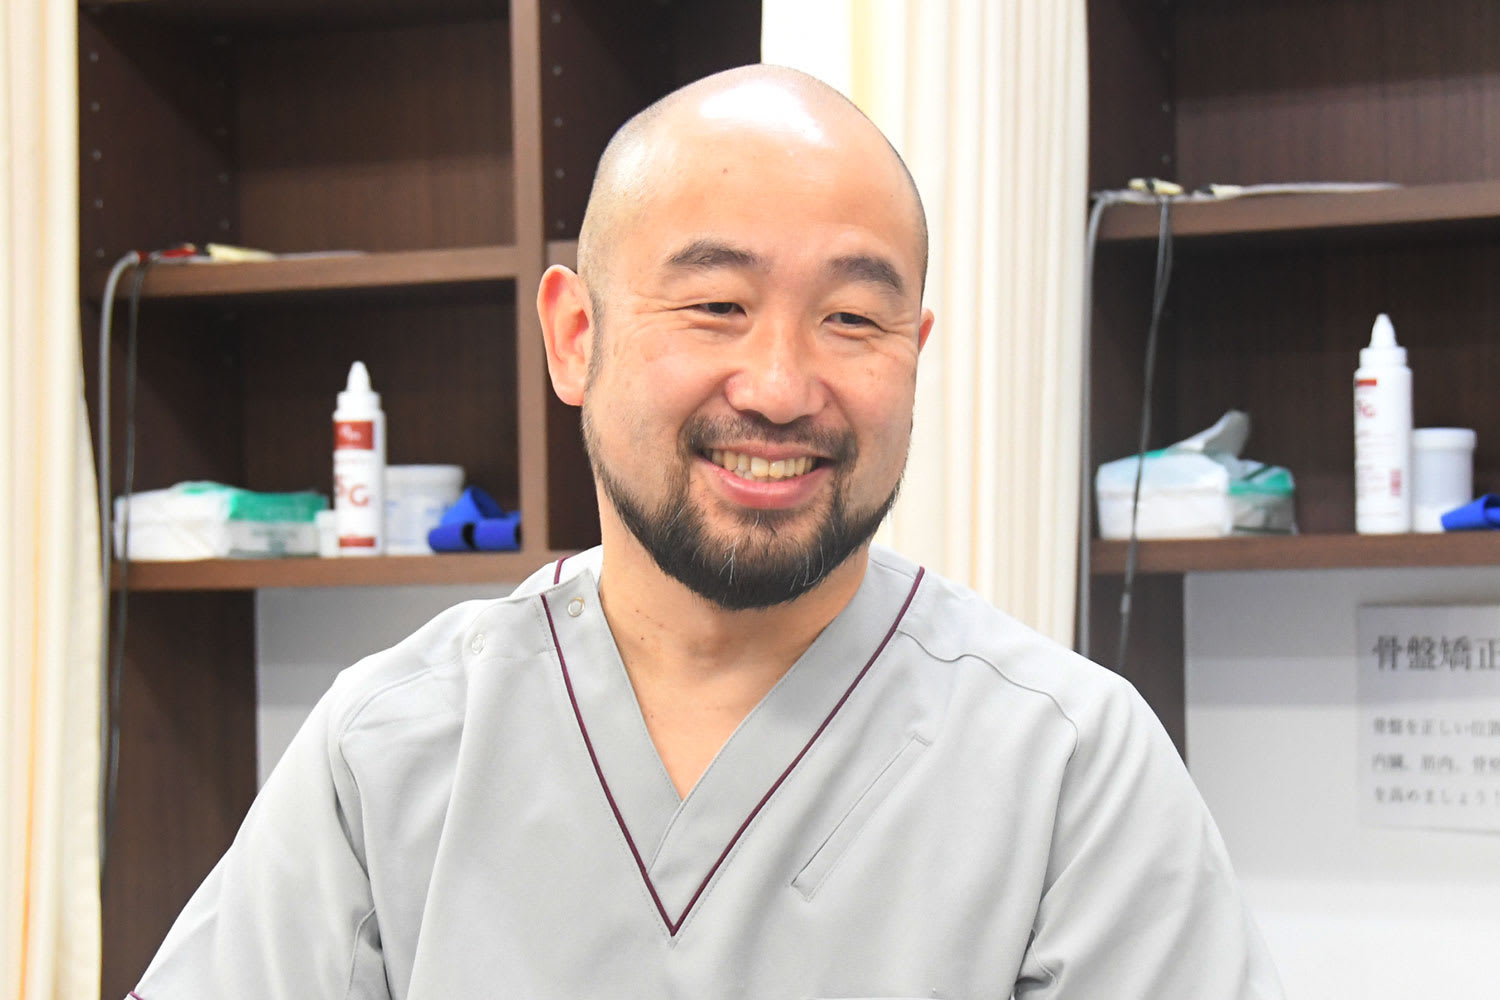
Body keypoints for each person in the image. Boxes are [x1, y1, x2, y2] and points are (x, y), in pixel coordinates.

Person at [130, 65, 1284, 999]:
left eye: (851, 318)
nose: (781, 386)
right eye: (716, 304)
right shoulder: (389, 752)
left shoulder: (1068, 766)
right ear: (575, 335)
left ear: (914, 352)